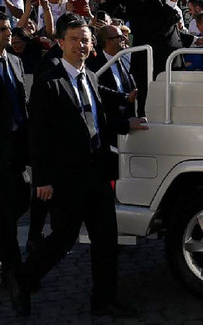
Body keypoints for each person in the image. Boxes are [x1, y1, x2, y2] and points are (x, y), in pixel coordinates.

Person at [10, 20, 147, 318]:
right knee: (63, 239)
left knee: (106, 240)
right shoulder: (49, 83)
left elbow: (95, 122)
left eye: (84, 40)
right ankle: (23, 277)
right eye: (73, 40)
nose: (80, 45)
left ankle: (104, 300)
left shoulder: (92, 79)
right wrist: (43, 180)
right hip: (65, 178)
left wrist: (126, 124)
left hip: (97, 173)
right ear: (61, 42)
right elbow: (39, 135)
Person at [0, 12, 29, 292]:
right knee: (7, 211)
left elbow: (21, 101)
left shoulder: (16, 62)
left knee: (22, 198)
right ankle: (13, 271)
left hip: (18, 145)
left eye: (9, 28)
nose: (8, 33)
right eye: (2, 29)